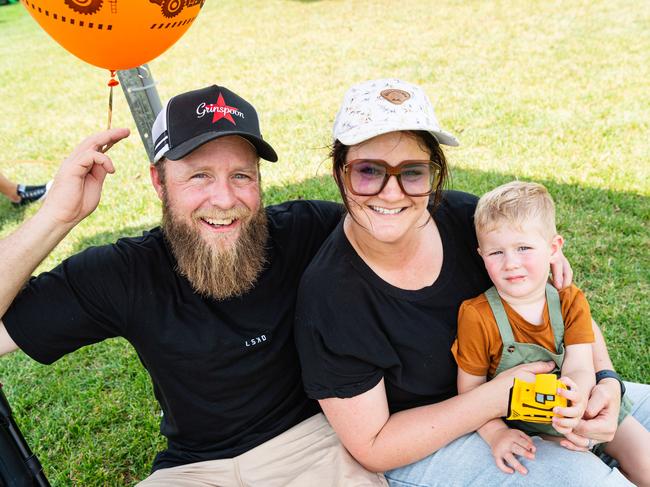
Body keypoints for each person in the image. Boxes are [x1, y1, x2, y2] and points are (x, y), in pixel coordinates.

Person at [0, 85, 386, 486]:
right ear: (159, 181)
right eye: (199, 175)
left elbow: (415, 223)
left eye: (241, 175)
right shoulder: (125, 272)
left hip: (310, 449)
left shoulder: (306, 232)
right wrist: (56, 218)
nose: (223, 199)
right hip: (192, 471)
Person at [294, 78, 650, 486]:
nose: (391, 193)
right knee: (585, 480)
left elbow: (562, 306)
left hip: (539, 398)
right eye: (368, 171)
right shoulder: (332, 297)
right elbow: (373, 446)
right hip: (433, 437)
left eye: (412, 172)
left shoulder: (470, 221)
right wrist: (496, 401)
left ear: (435, 173)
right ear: (340, 173)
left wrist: (606, 383)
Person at [453, 180, 650, 485]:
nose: (511, 263)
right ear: (481, 255)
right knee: (583, 472)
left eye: (524, 248)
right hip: (531, 429)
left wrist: (578, 400)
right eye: (496, 253)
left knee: (646, 462)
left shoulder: (569, 300)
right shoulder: (477, 315)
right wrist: (496, 433)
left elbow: (582, 364)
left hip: (585, 408)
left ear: (553, 248)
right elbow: (469, 391)